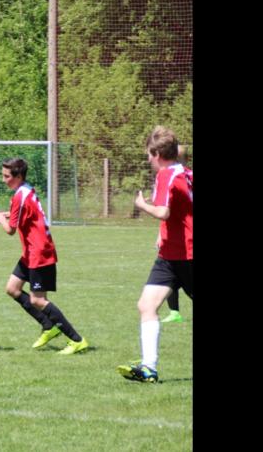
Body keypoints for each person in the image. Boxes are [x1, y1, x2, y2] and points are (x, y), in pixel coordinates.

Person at [0, 158, 88, 355]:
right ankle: (48, 326)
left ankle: (76, 340)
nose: (3, 180)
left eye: (6, 176)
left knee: (37, 300)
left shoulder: (19, 196)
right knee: (12, 289)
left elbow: (10, 230)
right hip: (31, 252)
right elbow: (19, 213)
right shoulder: (26, 190)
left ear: (18, 176)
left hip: (39, 253)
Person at [117, 127, 192, 383]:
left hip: (187, 254)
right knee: (146, 305)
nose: (148, 160)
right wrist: (163, 233)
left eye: (149, 155)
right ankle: (149, 368)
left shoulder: (165, 174)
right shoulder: (185, 172)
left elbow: (163, 212)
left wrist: (142, 205)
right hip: (170, 255)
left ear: (157, 154)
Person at [160, 143, 190, 325]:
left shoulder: (184, 179)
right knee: (169, 280)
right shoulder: (174, 178)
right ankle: (174, 312)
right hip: (174, 242)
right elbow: (168, 213)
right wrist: (160, 234)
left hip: (186, 243)